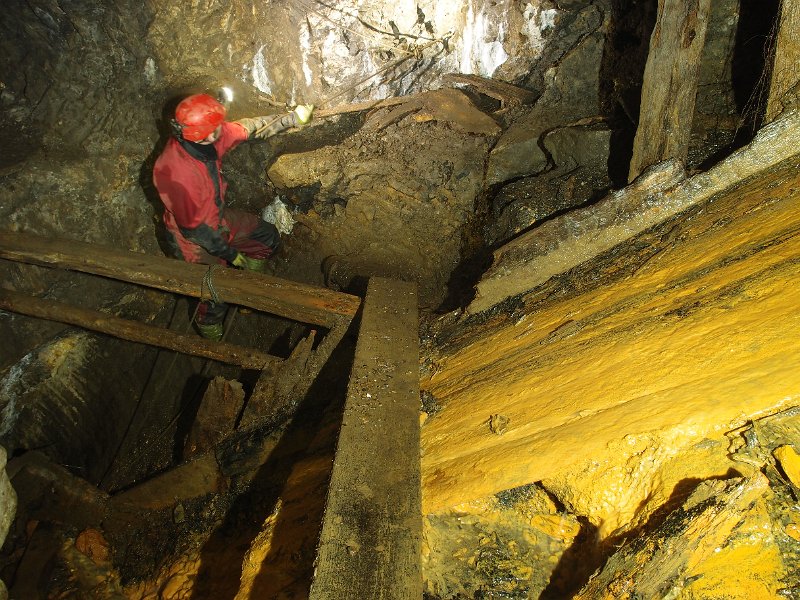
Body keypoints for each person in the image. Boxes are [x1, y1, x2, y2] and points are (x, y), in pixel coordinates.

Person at [152, 93, 313, 340]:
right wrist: (231, 255)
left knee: (266, 236)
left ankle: (251, 282)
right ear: (198, 135)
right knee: (216, 291)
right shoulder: (174, 172)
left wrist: (291, 118)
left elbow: (249, 129)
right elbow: (195, 230)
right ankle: (211, 331)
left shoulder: (210, 137)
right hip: (192, 240)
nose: (221, 132)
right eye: (214, 129)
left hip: (217, 218)